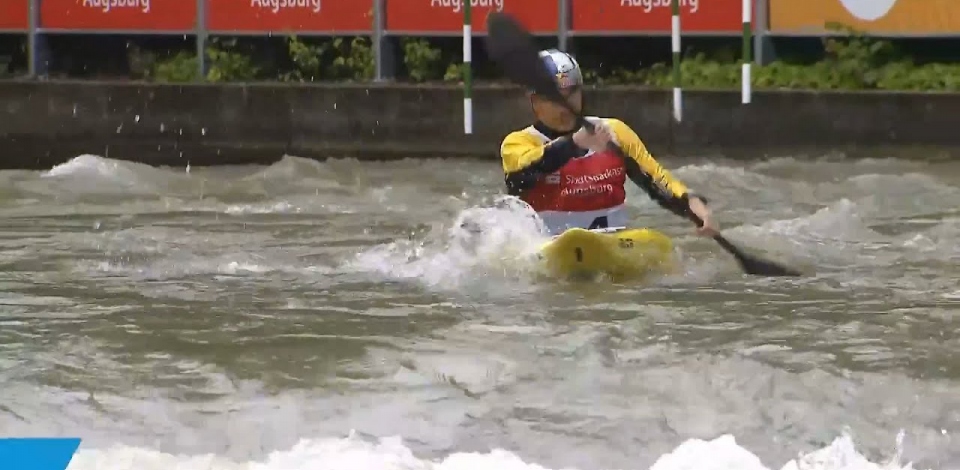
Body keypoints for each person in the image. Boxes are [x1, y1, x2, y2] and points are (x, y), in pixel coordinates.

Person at [498, 48, 718, 237]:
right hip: (548, 246)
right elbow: (525, 173)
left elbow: (657, 181)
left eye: (571, 93)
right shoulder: (517, 143)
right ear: (535, 101)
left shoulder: (614, 132)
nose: (565, 104)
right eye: (555, 97)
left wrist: (691, 203)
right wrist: (573, 144)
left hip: (611, 245)